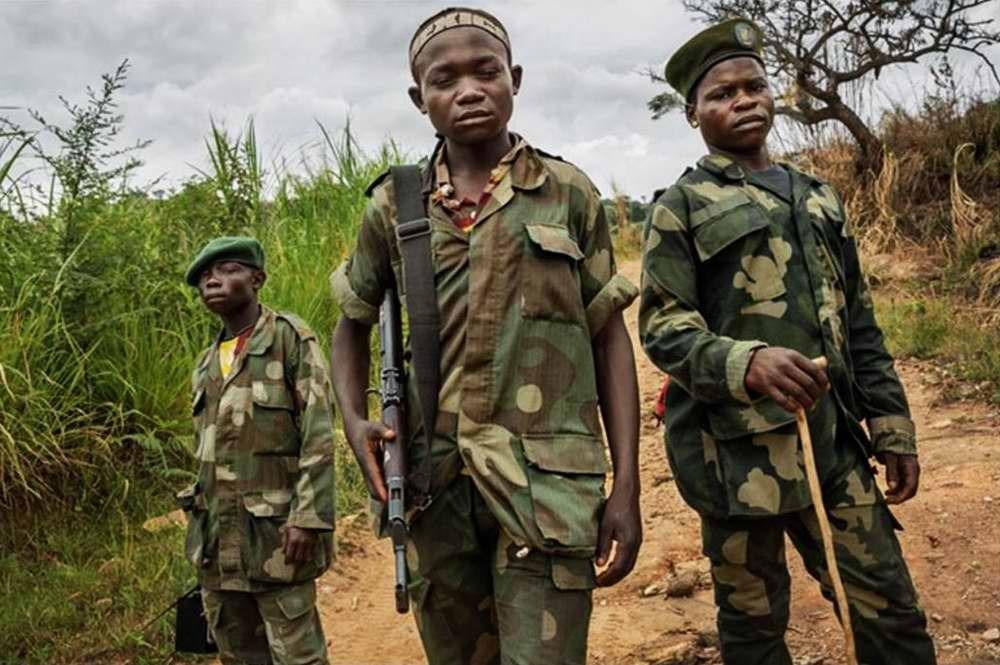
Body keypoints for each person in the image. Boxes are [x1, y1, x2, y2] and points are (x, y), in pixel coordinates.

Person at [329, 7, 642, 664]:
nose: (468, 90)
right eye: (445, 80)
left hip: (547, 491)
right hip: (435, 489)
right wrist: (355, 422)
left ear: (514, 79)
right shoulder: (394, 206)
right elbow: (351, 322)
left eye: (486, 72)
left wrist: (627, 485)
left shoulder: (568, 193)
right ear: (419, 98)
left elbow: (609, 337)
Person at [638, 19, 936, 665]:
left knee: (888, 609)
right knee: (753, 626)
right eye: (722, 94)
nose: (744, 101)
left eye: (755, 86)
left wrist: (891, 424)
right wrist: (744, 361)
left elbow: (860, 323)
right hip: (733, 458)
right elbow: (663, 327)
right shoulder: (680, 206)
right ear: (693, 113)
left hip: (832, 443)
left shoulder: (819, 196)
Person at [177, 236, 336, 665]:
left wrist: (308, 518)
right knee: (238, 655)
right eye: (205, 276)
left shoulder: (288, 339)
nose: (213, 281)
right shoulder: (205, 363)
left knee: (298, 657)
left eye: (228, 269)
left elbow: (319, 432)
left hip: (277, 538)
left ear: (257, 279)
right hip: (217, 543)